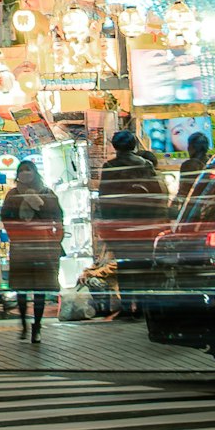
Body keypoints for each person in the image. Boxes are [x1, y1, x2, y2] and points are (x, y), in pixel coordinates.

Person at [93, 128, 166, 320]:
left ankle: (126, 307)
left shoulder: (110, 167)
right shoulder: (145, 165)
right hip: (143, 225)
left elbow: (104, 199)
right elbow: (157, 196)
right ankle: (141, 307)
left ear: (115, 146)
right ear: (134, 145)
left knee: (125, 267)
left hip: (120, 226)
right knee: (142, 266)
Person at [1, 160, 66, 338]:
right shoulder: (13, 195)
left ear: (35, 172)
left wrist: (55, 239)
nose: (25, 173)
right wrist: (14, 235)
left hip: (42, 247)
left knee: (40, 289)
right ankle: (23, 324)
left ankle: (36, 327)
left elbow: (58, 217)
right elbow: (6, 218)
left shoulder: (47, 193)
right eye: (22, 171)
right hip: (21, 247)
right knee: (22, 288)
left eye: (28, 170)